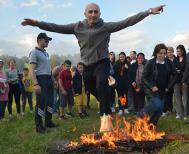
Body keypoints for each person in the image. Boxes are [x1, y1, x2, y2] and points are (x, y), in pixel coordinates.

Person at [21, 3, 166, 132]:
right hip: (86, 66)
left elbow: (127, 22)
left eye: (96, 12)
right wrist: (37, 23)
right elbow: (56, 27)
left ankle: (105, 118)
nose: (93, 14)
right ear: (85, 14)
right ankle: (106, 100)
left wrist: (148, 12)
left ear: (100, 14)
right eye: (90, 12)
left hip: (102, 63)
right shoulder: (77, 27)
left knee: (101, 84)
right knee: (91, 88)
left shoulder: (105, 27)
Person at [138, 44, 176, 126]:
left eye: (164, 53)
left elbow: (175, 75)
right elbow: (144, 77)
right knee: (156, 103)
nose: (162, 55)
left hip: (163, 89)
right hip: (151, 89)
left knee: (160, 108)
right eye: (160, 53)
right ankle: (140, 115)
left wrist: (168, 87)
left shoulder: (168, 62)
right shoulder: (150, 63)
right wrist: (152, 86)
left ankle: (152, 125)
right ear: (156, 53)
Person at [29, 32, 56, 133]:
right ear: (39, 40)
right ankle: (39, 126)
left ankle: (48, 122)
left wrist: (53, 79)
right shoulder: (34, 52)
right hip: (41, 80)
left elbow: (48, 68)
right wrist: (36, 84)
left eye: (48, 40)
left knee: (50, 102)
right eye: (46, 40)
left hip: (48, 79)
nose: (48, 42)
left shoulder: (46, 53)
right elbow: (31, 69)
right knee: (41, 103)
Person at [173, 45, 188, 119]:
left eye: (179, 51)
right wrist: (176, 71)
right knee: (177, 98)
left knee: (185, 99)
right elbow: (173, 69)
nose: (178, 52)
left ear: (183, 51)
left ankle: (186, 114)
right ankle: (179, 114)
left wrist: (181, 71)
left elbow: (187, 69)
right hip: (176, 81)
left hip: (184, 81)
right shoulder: (175, 59)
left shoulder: (187, 58)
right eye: (177, 51)